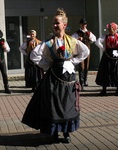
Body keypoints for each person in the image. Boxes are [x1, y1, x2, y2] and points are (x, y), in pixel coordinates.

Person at [22, 8, 89, 143]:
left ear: (64, 25)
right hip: (53, 79)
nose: (54, 25)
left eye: (57, 23)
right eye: (53, 23)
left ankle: (66, 132)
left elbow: (85, 51)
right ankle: (54, 132)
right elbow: (34, 55)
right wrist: (47, 65)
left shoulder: (72, 40)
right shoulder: (49, 42)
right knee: (53, 105)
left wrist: (72, 62)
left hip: (68, 79)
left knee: (67, 105)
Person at [95, 22, 118, 96]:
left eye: (111, 29)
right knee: (106, 71)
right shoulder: (105, 37)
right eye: (109, 29)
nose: (110, 30)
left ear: (115, 29)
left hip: (117, 54)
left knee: (117, 71)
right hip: (107, 55)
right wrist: (103, 48)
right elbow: (97, 42)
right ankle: (104, 89)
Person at [72, 18, 96, 90]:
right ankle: (81, 81)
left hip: (87, 50)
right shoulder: (77, 33)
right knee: (81, 66)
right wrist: (78, 39)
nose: (84, 25)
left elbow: (94, 39)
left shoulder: (88, 32)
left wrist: (90, 39)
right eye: (82, 24)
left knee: (87, 65)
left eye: (85, 24)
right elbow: (72, 39)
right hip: (81, 51)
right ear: (80, 25)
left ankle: (85, 80)